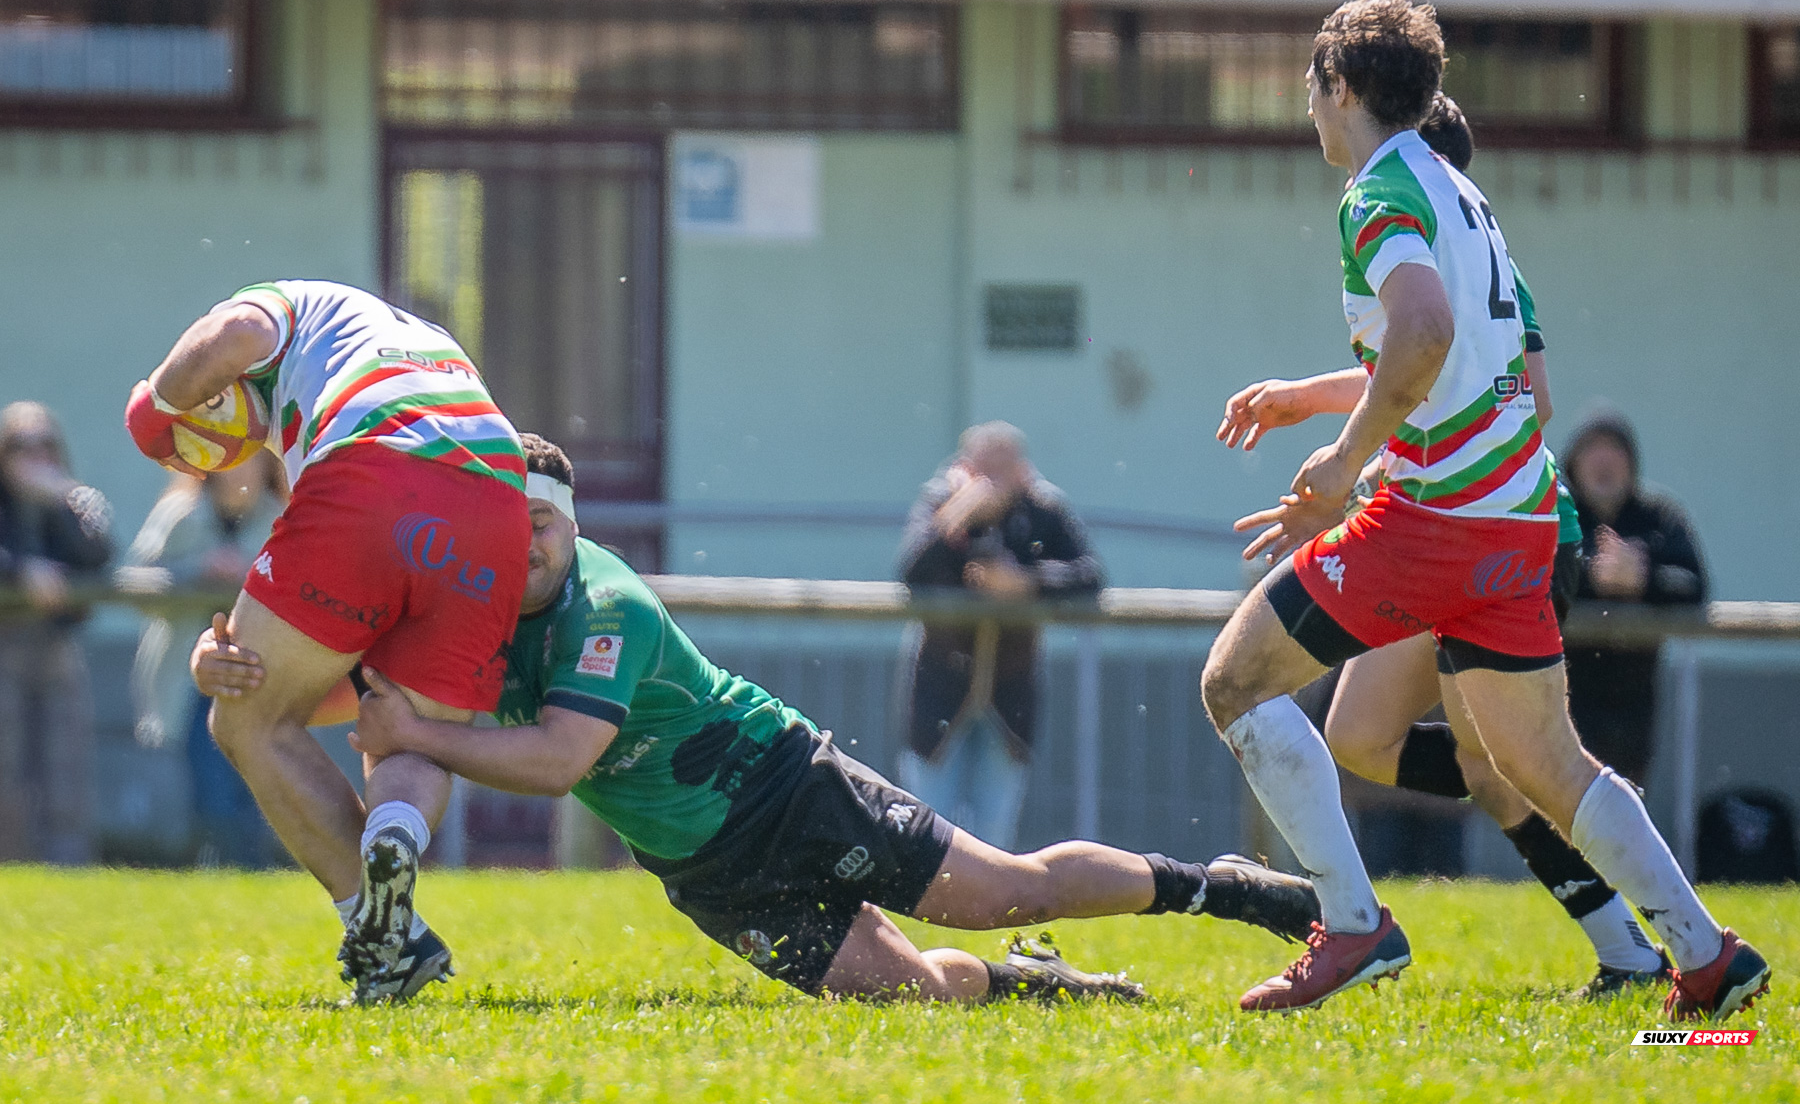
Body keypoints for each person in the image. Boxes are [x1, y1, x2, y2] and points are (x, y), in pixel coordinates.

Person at [195, 435, 1323, 1004]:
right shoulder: (470, 608)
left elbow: (558, 757)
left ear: (568, 524)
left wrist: (420, 737)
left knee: (1001, 886)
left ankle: (1218, 884)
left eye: (540, 523)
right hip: (705, 871)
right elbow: (358, 688)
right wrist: (241, 666)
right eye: (506, 524)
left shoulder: (606, 598)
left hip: (786, 788)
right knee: (916, 999)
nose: (522, 543)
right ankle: (1038, 983)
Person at [1200, 0, 1767, 1020]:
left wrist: (1340, 461)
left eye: (1311, 86)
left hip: (1430, 522)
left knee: (1235, 682)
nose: (1308, 109)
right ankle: (1704, 952)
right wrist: (1324, 400)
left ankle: (1353, 922)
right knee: (1540, 762)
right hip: (1511, 521)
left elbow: (1419, 338)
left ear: (1343, 86)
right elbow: (1476, 364)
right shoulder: (1462, 195)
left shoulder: (1376, 192)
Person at [1221, 93, 1671, 999]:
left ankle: (1629, 936)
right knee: (1360, 735)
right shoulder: (1461, 247)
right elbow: (1431, 370)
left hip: (1505, 535)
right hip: (1451, 528)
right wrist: (1312, 400)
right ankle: (1557, 798)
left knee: (1510, 765)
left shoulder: (1428, 227)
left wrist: (1365, 458)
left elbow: (1508, 397)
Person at [124, 279, 530, 1002]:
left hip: (372, 469)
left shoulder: (290, 306)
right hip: (498, 494)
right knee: (410, 736)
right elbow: (352, 688)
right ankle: (393, 833)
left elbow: (234, 336)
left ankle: (385, 938)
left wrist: (156, 404)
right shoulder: (402, 340)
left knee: (247, 718)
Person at [897, 422, 1103, 849]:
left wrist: (1027, 581)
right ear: (962, 468)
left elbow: (1090, 576)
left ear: (1023, 470)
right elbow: (911, 570)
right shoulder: (939, 502)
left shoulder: (1043, 509)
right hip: (939, 689)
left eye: (1002, 470)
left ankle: (984, 914)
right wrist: (961, 513)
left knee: (992, 836)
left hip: (1010, 695)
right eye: (982, 470)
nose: (991, 482)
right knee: (926, 831)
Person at [126, 453, 288, 867]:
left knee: (256, 779)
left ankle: (252, 870)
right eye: (232, 462)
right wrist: (199, 571)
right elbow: (134, 581)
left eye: (253, 462)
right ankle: (212, 865)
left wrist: (246, 575)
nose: (241, 472)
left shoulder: (281, 518)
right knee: (207, 783)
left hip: (256, 678)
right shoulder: (180, 514)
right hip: (189, 681)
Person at [1562, 408, 1707, 786]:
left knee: (1624, 805)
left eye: (1614, 450)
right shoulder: (1557, 514)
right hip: (1561, 693)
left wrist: (1643, 578)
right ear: (1574, 465)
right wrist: (1594, 577)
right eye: (1592, 451)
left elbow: (1694, 585)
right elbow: (1533, 580)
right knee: (1563, 811)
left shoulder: (1659, 516)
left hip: (1635, 699)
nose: (1604, 461)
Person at [0, 401, 113, 863]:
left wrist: (62, 502)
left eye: (46, 444)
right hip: (5, 643)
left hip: (58, 644)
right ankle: (10, 864)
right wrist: (21, 569)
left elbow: (100, 552)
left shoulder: (75, 498)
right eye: (21, 446)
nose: (36, 455)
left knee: (64, 762)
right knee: (6, 765)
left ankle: (67, 865)